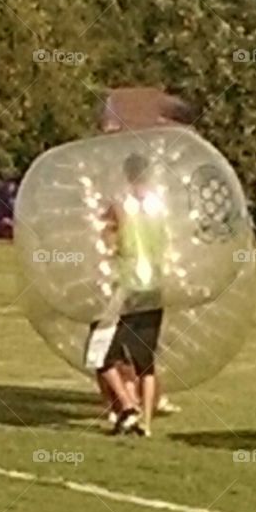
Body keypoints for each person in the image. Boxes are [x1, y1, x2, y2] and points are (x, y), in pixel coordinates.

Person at [92, 153, 169, 438]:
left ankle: (127, 407)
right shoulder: (158, 207)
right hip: (154, 286)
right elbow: (165, 243)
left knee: (100, 350)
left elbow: (106, 237)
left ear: (128, 176)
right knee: (145, 361)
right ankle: (145, 423)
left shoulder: (120, 206)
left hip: (127, 285)